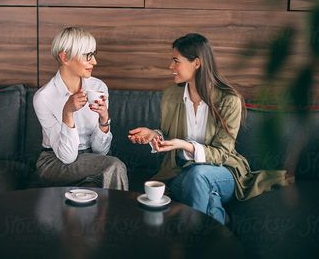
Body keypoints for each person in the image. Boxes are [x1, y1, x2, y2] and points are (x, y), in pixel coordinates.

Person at [128, 33, 291, 224]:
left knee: (198, 176)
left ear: (196, 63)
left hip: (223, 171)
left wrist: (186, 145)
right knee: (202, 188)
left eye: (176, 61)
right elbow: (169, 136)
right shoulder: (171, 95)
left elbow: (222, 153)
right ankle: (217, 233)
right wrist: (153, 134)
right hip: (181, 172)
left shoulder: (229, 100)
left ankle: (194, 237)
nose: (170, 67)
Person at [33, 26, 128, 190]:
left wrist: (104, 119)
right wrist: (67, 112)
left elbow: (101, 152)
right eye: (88, 56)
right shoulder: (44, 97)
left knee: (92, 188)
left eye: (94, 55)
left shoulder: (98, 87)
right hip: (56, 162)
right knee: (115, 166)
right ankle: (122, 214)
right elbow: (67, 157)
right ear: (65, 58)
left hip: (92, 159)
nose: (94, 62)